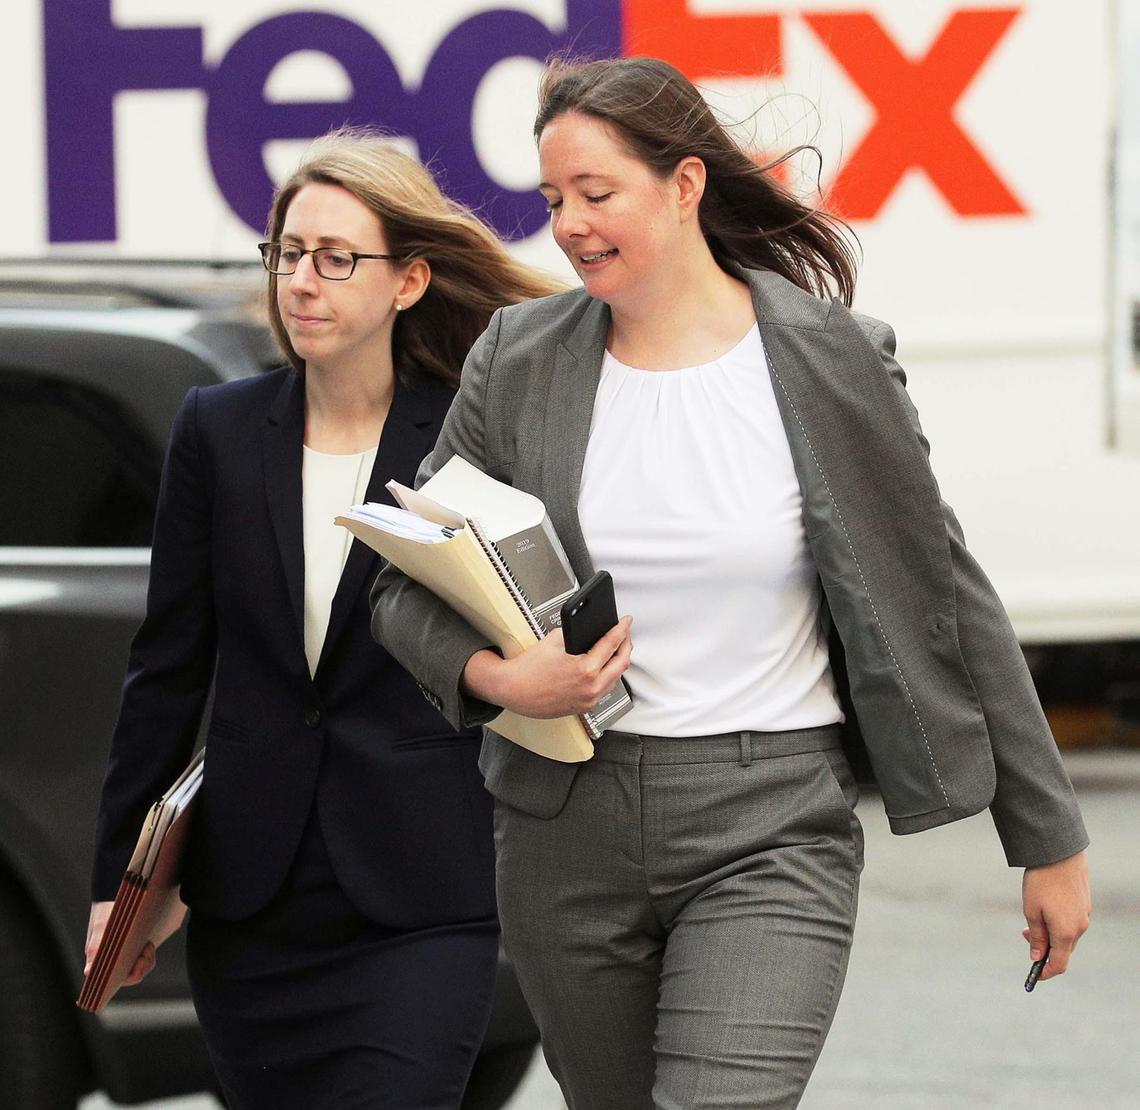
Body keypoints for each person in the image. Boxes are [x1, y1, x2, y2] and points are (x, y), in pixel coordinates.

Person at [370, 57, 1092, 1110]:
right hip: (563, 830)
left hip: (771, 823)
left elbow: (946, 594)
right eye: (554, 199)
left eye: (597, 193)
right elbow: (404, 582)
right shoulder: (520, 358)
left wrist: (1048, 837)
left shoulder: (832, 361)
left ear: (686, 185)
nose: (568, 224)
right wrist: (499, 677)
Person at [86, 129, 561, 1110]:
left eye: (335, 258)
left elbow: (520, 628)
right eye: (287, 254)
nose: (302, 280)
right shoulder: (217, 431)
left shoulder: (465, 438)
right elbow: (166, 670)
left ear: (410, 281)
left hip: (423, 896)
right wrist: (117, 888)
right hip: (254, 906)